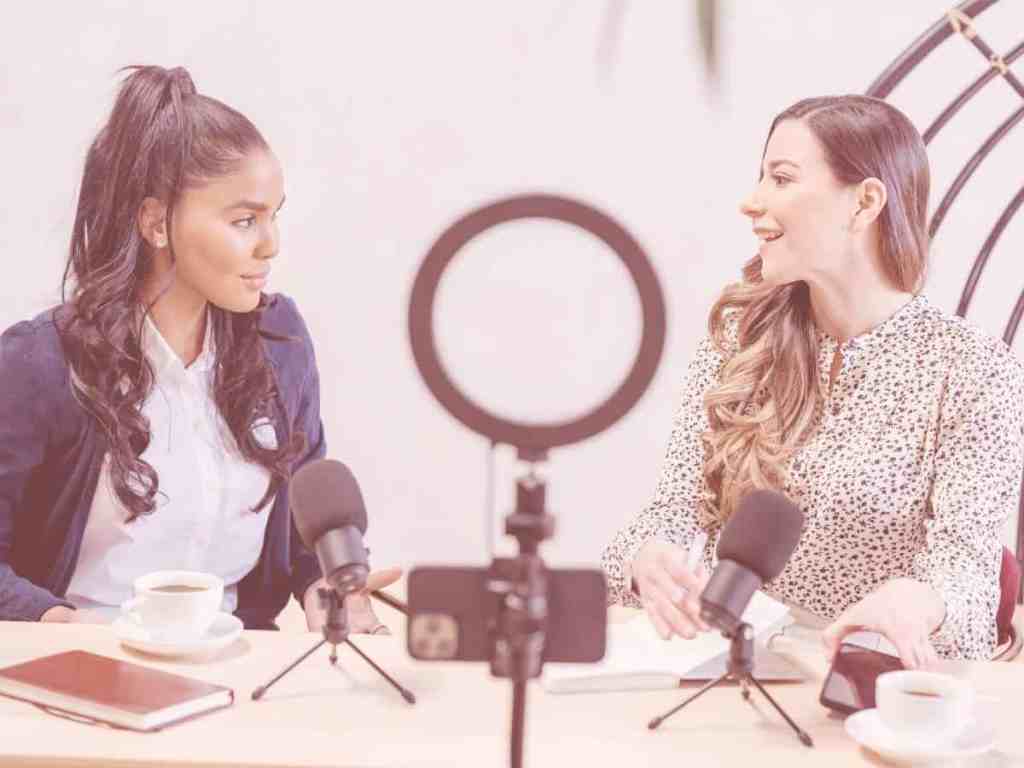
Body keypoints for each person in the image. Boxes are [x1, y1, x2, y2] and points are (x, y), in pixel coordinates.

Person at [602, 95, 1024, 667]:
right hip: (733, 667)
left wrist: (922, 602)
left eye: (781, 178)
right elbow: (676, 506)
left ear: (865, 202)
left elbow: (967, 577)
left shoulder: (975, 369)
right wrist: (648, 557)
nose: (751, 202)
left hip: (871, 681)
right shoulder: (739, 337)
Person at [0, 65, 397, 632]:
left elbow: (304, 531)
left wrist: (328, 589)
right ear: (156, 222)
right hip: (82, 663)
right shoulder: (41, 364)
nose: (271, 245)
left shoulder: (279, 343)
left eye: (274, 216)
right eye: (245, 220)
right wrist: (58, 622)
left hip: (234, 663)